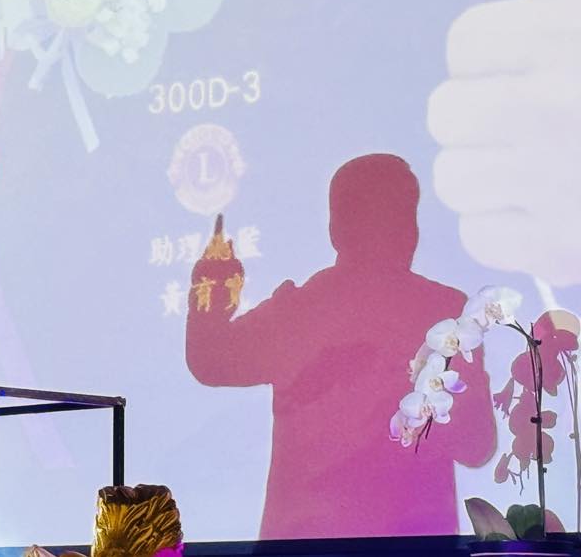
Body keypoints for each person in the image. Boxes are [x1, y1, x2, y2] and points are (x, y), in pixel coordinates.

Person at [185, 154, 495, 538]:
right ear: (409, 229)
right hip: (415, 544)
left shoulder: (298, 311)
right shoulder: (444, 310)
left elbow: (210, 360)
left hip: (304, 544)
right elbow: (477, 446)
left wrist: (211, 289)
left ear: (334, 230)